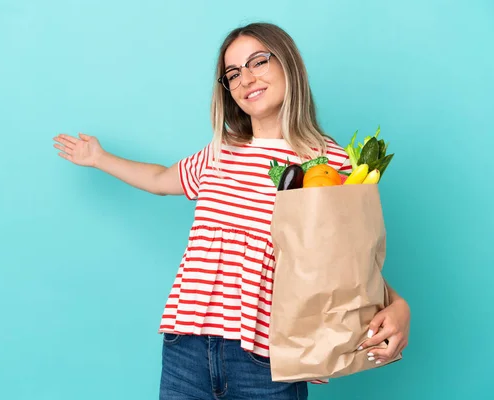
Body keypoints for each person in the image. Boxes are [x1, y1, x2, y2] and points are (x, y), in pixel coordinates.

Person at [53, 22, 410, 400]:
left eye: (258, 62)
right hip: (185, 345)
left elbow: (344, 266)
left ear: (288, 63)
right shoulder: (220, 152)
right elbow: (160, 179)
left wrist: (399, 305)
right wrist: (100, 158)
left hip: (268, 358)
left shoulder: (330, 162)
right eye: (233, 74)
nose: (246, 79)